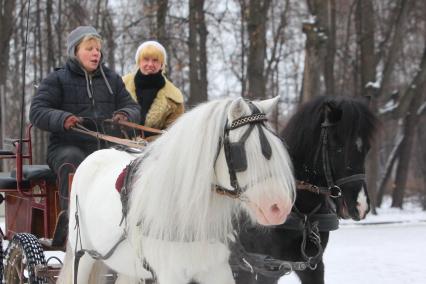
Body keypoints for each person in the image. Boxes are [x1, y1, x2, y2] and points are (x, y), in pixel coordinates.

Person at [29, 26, 140, 246]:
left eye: (98, 49)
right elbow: (37, 111)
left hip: (106, 147)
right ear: (75, 51)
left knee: (134, 162)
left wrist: (124, 114)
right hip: (66, 146)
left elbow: (132, 106)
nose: (96, 53)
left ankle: (126, 226)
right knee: (72, 160)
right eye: (89, 48)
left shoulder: (112, 79)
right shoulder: (57, 79)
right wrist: (62, 118)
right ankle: (72, 228)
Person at [122, 40, 184, 139]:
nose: (150, 64)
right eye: (146, 59)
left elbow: (174, 134)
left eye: (155, 60)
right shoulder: (121, 85)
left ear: (161, 64)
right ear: (139, 61)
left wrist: (147, 143)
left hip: (155, 151)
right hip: (119, 149)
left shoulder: (174, 97)